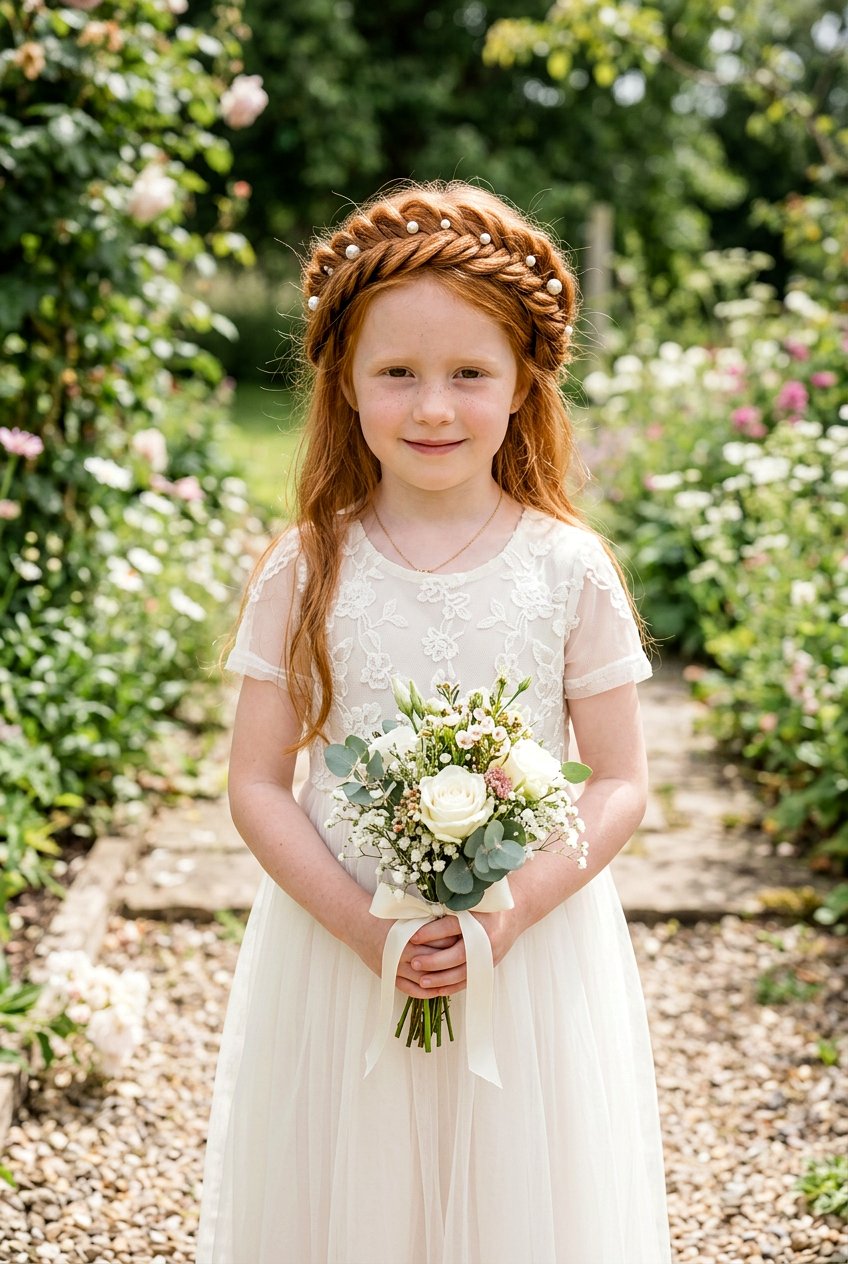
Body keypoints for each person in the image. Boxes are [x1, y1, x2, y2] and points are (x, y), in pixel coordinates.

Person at [197, 180, 671, 1264]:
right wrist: (369, 929)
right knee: (348, 1195)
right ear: (345, 383)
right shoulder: (308, 565)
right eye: (396, 373)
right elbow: (258, 782)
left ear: (522, 384)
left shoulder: (565, 567)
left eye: (468, 373)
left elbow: (619, 780)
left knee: (518, 1199)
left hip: (527, 954)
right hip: (341, 948)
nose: (432, 408)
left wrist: (506, 915)